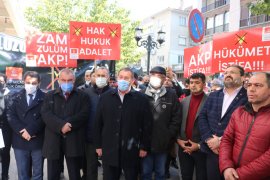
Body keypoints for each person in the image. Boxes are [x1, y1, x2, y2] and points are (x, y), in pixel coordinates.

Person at [94, 67, 153, 180]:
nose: (123, 80)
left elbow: (147, 125)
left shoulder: (141, 99)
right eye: (121, 77)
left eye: (126, 78)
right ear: (117, 78)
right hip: (109, 148)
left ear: (132, 80)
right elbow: (98, 123)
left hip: (131, 150)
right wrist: (98, 145)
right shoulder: (106, 97)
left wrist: (144, 147)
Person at [198, 65, 248, 180]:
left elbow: (247, 125)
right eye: (226, 73)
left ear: (242, 77)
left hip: (233, 152)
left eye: (232, 72)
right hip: (212, 151)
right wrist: (209, 139)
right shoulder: (214, 95)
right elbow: (202, 117)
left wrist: (221, 141)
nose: (228, 75)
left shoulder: (248, 97)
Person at [219, 72, 270, 180]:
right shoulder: (239, 112)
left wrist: (240, 175)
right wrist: (226, 166)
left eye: (258, 85)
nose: (251, 89)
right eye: (249, 85)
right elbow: (227, 139)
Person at [41, 68, 89, 180]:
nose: (66, 83)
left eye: (69, 80)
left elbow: (84, 114)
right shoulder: (49, 95)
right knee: (53, 174)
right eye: (63, 80)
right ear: (58, 80)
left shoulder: (83, 96)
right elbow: (46, 114)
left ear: (74, 80)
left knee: (74, 173)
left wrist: (69, 124)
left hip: (74, 140)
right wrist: (61, 126)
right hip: (54, 140)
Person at [141, 66, 181, 180]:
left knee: (161, 172)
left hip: (163, 143)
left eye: (160, 76)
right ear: (149, 77)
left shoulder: (171, 94)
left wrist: (168, 135)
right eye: (154, 75)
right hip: (145, 143)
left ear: (164, 79)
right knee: (146, 172)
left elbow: (176, 117)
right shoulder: (141, 94)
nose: (156, 78)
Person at [7, 71, 45, 180]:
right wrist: (23, 131)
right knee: (23, 174)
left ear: (39, 83)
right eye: (28, 82)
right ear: (24, 82)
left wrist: (31, 130)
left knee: (38, 174)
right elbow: (11, 116)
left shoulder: (45, 97)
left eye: (34, 83)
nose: (31, 85)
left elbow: (45, 117)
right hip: (20, 140)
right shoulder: (15, 97)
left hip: (38, 140)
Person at [177, 73, 208, 180]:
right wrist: (179, 140)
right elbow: (178, 122)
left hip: (201, 147)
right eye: (191, 82)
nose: (193, 85)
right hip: (184, 145)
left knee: (201, 176)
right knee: (185, 175)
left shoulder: (209, 101)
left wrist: (199, 145)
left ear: (204, 84)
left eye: (197, 82)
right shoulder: (183, 101)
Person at [84, 67, 112, 180]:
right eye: (98, 75)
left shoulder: (113, 93)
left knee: (108, 169)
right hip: (90, 137)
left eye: (103, 75)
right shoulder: (86, 93)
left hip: (108, 138)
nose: (100, 78)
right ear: (94, 77)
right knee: (90, 168)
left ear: (108, 78)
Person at [0, 73, 12, 180]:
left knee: (5, 152)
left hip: (5, 129)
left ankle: (4, 175)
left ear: (5, 82)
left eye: (1, 82)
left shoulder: (10, 94)